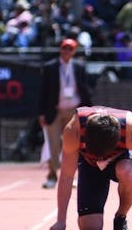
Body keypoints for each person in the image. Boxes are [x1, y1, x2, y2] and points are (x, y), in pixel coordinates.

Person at [38, 38, 93, 189]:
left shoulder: (79, 67)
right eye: (64, 48)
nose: (67, 51)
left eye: (70, 49)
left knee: (74, 146)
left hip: (73, 112)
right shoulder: (50, 67)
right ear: (60, 49)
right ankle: (52, 176)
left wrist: (89, 110)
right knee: (53, 145)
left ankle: (71, 177)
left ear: (74, 51)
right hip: (54, 111)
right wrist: (41, 113)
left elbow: (85, 90)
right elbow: (43, 91)